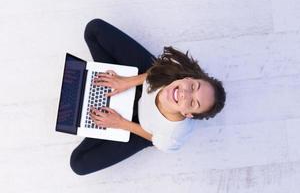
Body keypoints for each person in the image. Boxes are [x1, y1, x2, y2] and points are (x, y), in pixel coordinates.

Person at [70, 19, 226, 175]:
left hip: (143, 127)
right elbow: (154, 73)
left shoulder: (172, 137)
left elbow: (153, 138)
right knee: (94, 29)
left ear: (188, 114)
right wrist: (125, 82)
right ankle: (105, 83)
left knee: (79, 163)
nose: (185, 93)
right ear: (189, 78)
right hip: (147, 81)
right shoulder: (178, 70)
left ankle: (106, 96)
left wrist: (120, 123)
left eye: (193, 103)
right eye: (193, 86)